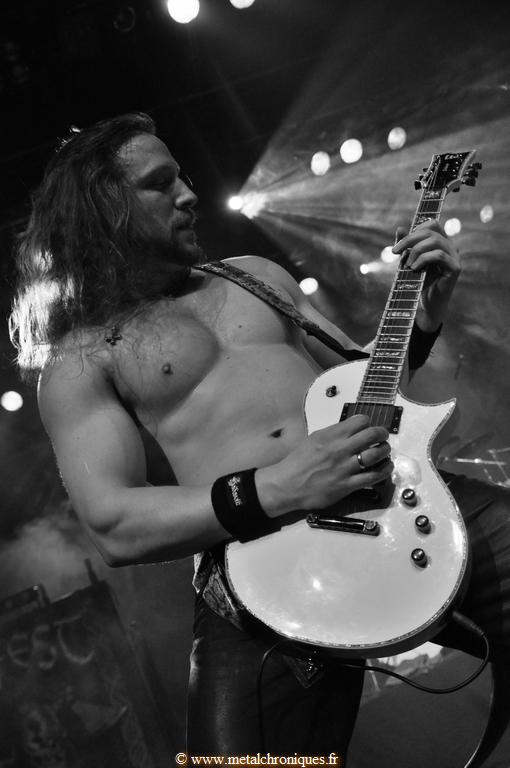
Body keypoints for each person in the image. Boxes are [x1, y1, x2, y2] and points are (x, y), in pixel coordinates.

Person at [9, 112, 510, 762]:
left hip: (396, 505)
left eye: (184, 177)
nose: (189, 194)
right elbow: (115, 524)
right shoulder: (80, 360)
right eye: (160, 183)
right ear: (103, 207)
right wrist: (279, 487)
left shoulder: (254, 276)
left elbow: (368, 388)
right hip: (259, 578)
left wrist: (424, 313)